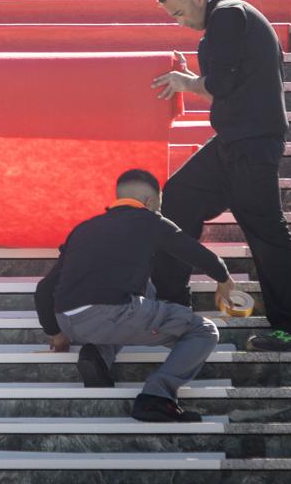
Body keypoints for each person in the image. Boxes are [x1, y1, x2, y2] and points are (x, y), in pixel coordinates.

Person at [151, 0, 291, 352]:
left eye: (180, 13)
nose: (180, 23)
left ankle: (290, 328)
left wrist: (187, 82)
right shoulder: (229, 19)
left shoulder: (229, 14)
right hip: (233, 141)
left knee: (266, 234)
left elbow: (220, 85)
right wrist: (192, 78)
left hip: (251, 145)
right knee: (178, 197)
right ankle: (172, 305)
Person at [35, 169, 233, 423]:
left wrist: (55, 332)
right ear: (150, 202)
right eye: (159, 206)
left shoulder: (83, 229)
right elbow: (194, 252)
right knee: (203, 331)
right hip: (113, 314)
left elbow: (44, 288)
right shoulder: (149, 220)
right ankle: (157, 398)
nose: (159, 212)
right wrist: (224, 278)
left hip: (69, 321)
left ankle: (97, 355)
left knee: (146, 289)